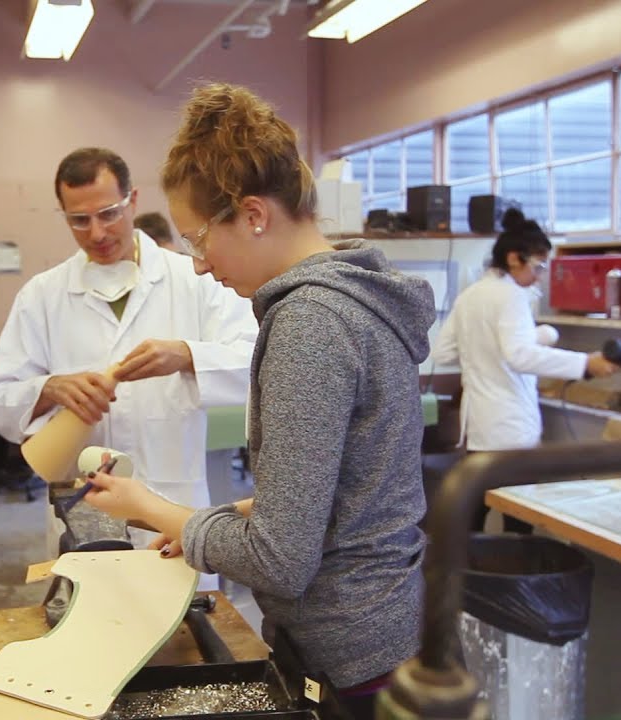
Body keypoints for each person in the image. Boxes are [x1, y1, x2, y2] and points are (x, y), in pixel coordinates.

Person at [80, 84, 435, 720]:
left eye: (197, 239)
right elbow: (342, 490)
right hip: (386, 632)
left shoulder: (310, 325)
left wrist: (155, 510)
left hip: (350, 656)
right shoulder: (356, 299)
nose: (196, 265)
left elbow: (280, 560)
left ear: (253, 214)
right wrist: (211, 519)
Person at [0, 147, 257, 516]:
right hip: (82, 506)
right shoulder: (42, 295)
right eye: (79, 220)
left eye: (109, 214)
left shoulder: (194, 280)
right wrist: (48, 389)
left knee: (170, 572)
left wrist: (187, 356)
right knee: (87, 570)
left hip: (172, 499)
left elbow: (256, 359)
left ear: (132, 201)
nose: (97, 233)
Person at [431, 209, 617, 528]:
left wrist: (489, 350)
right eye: (539, 265)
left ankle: (457, 574)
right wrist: (584, 363)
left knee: (474, 513)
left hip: (480, 430)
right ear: (515, 258)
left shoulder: (471, 295)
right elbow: (519, 356)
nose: (540, 275)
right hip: (511, 430)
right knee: (518, 518)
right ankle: (510, 575)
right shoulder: (512, 296)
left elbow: (443, 351)